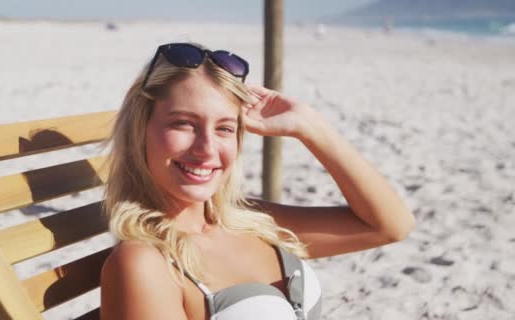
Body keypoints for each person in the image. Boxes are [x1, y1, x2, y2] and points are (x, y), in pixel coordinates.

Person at [99, 42, 416, 320]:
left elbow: (390, 226)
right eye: (184, 124)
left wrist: (310, 126)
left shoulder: (251, 222)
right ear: (140, 130)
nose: (206, 149)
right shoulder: (146, 263)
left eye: (224, 129)